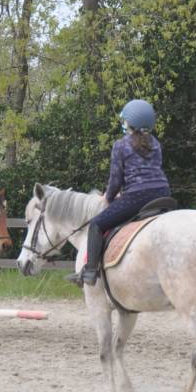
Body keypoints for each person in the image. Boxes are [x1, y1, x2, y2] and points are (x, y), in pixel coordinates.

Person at [65, 99, 171, 286]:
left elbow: (115, 179)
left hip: (137, 197)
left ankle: (90, 271)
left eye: (125, 120)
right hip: (163, 193)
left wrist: (109, 197)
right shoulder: (156, 144)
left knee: (96, 225)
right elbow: (150, 172)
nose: (123, 123)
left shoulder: (121, 145)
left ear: (130, 123)